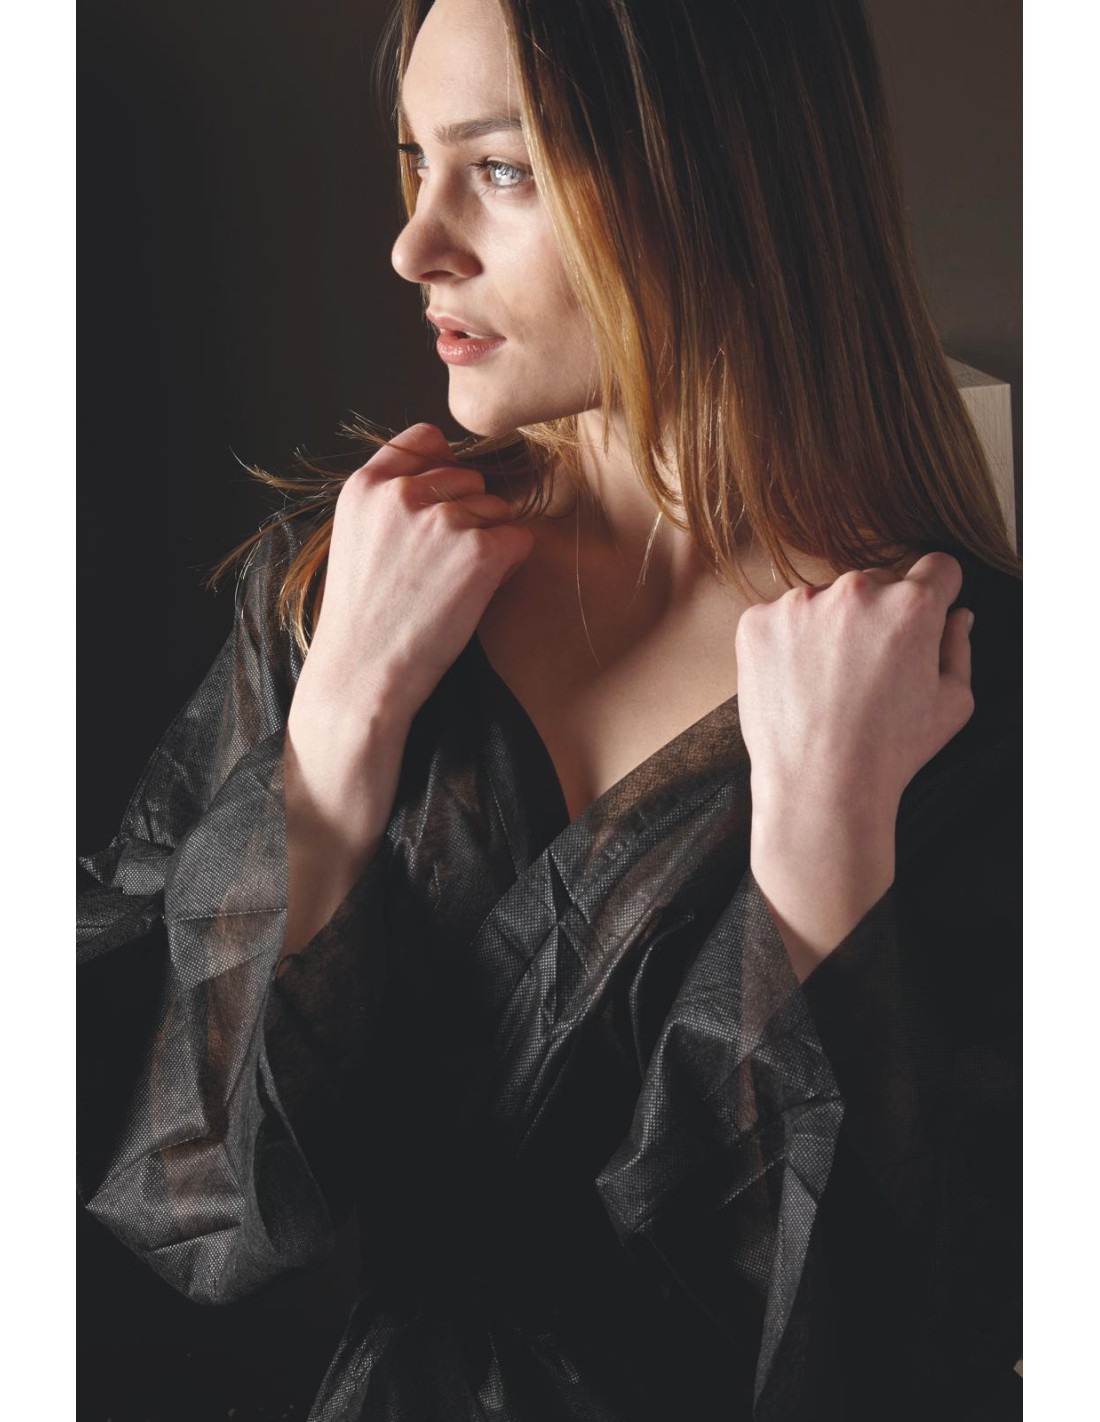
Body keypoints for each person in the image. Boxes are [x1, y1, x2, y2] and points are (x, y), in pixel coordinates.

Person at [78, 0, 1022, 1417]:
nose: (415, 245)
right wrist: (339, 722)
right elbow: (200, 1206)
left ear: (724, 177)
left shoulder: (978, 691)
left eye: (502, 169)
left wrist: (827, 849)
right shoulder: (344, 585)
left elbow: (905, 1334)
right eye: (417, 162)